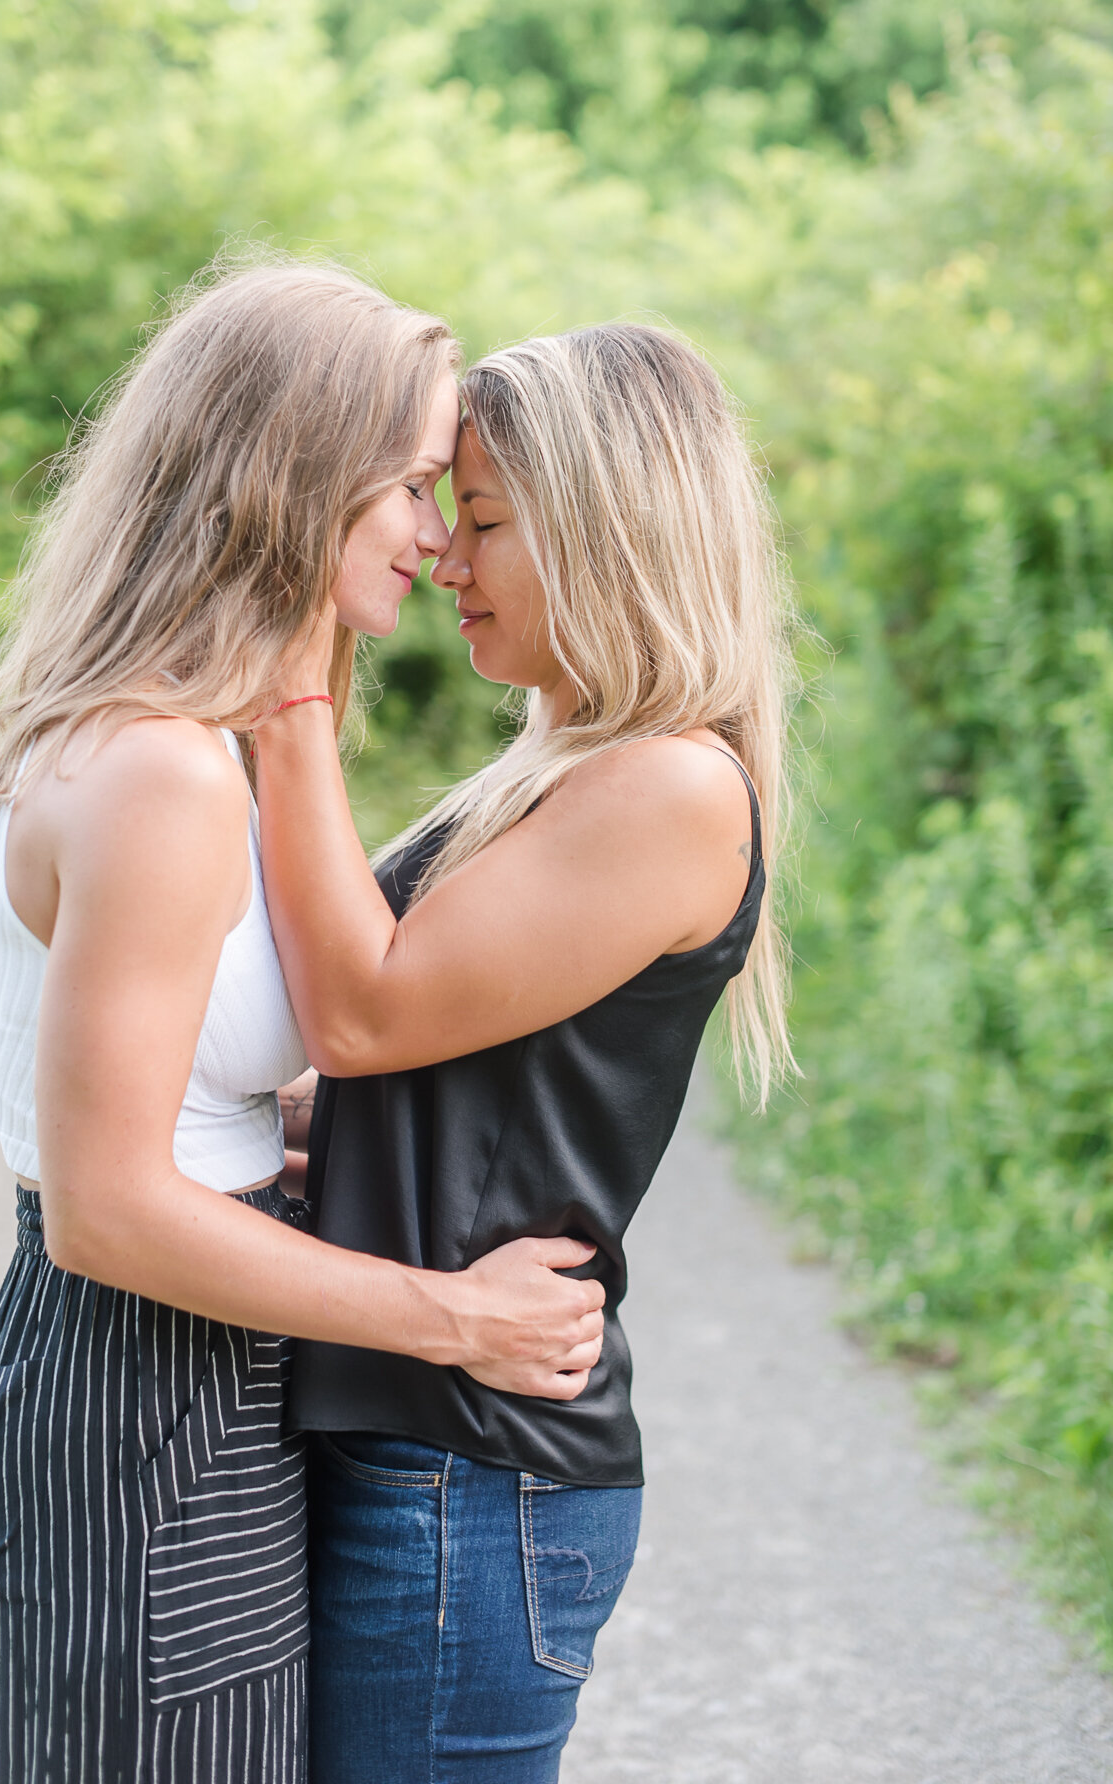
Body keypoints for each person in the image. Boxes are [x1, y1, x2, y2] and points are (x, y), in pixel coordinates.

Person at [0, 260, 607, 1784]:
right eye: (419, 486)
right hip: (136, 1390)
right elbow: (108, 1209)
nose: (438, 539)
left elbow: (182, 1099)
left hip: (196, 1377)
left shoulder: (190, 741)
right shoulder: (162, 769)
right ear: (300, 477)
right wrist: (460, 1318)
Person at [252, 320, 794, 1783]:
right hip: (419, 1439)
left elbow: (361, 1006)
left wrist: (296, 681)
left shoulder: (672, 786)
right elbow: (410, 1057)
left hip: (467, 1472)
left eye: (484, 521)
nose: (443, 557)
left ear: (613, 533)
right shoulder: (557, 768)